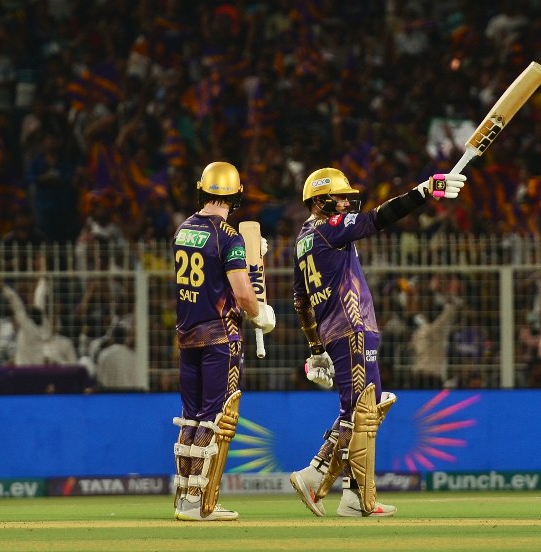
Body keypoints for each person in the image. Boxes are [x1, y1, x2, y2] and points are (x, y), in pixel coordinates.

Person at [289, 167, 466, 517]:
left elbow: (300, 301)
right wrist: (423, 191)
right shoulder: (329, 227)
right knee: (360, 413)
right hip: (352, 326)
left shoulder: (302, 240)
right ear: (320, 201)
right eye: (339, 197)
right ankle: (316, 476)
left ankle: (354, 494)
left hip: (335, 330)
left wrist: (316, 348)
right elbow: (378, 218)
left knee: (361, 411)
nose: (345, 203)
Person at [171, 161, 275, 522]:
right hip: (220, 337)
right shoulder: (228, 236)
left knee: (190, 418)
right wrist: (260, 313)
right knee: (214, 419)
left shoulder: (184, 229)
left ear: (202, 190)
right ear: (237, 195)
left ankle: (184, 496)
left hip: (187, 336)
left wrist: (244, 259)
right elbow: (243, 294)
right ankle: (200, 501)